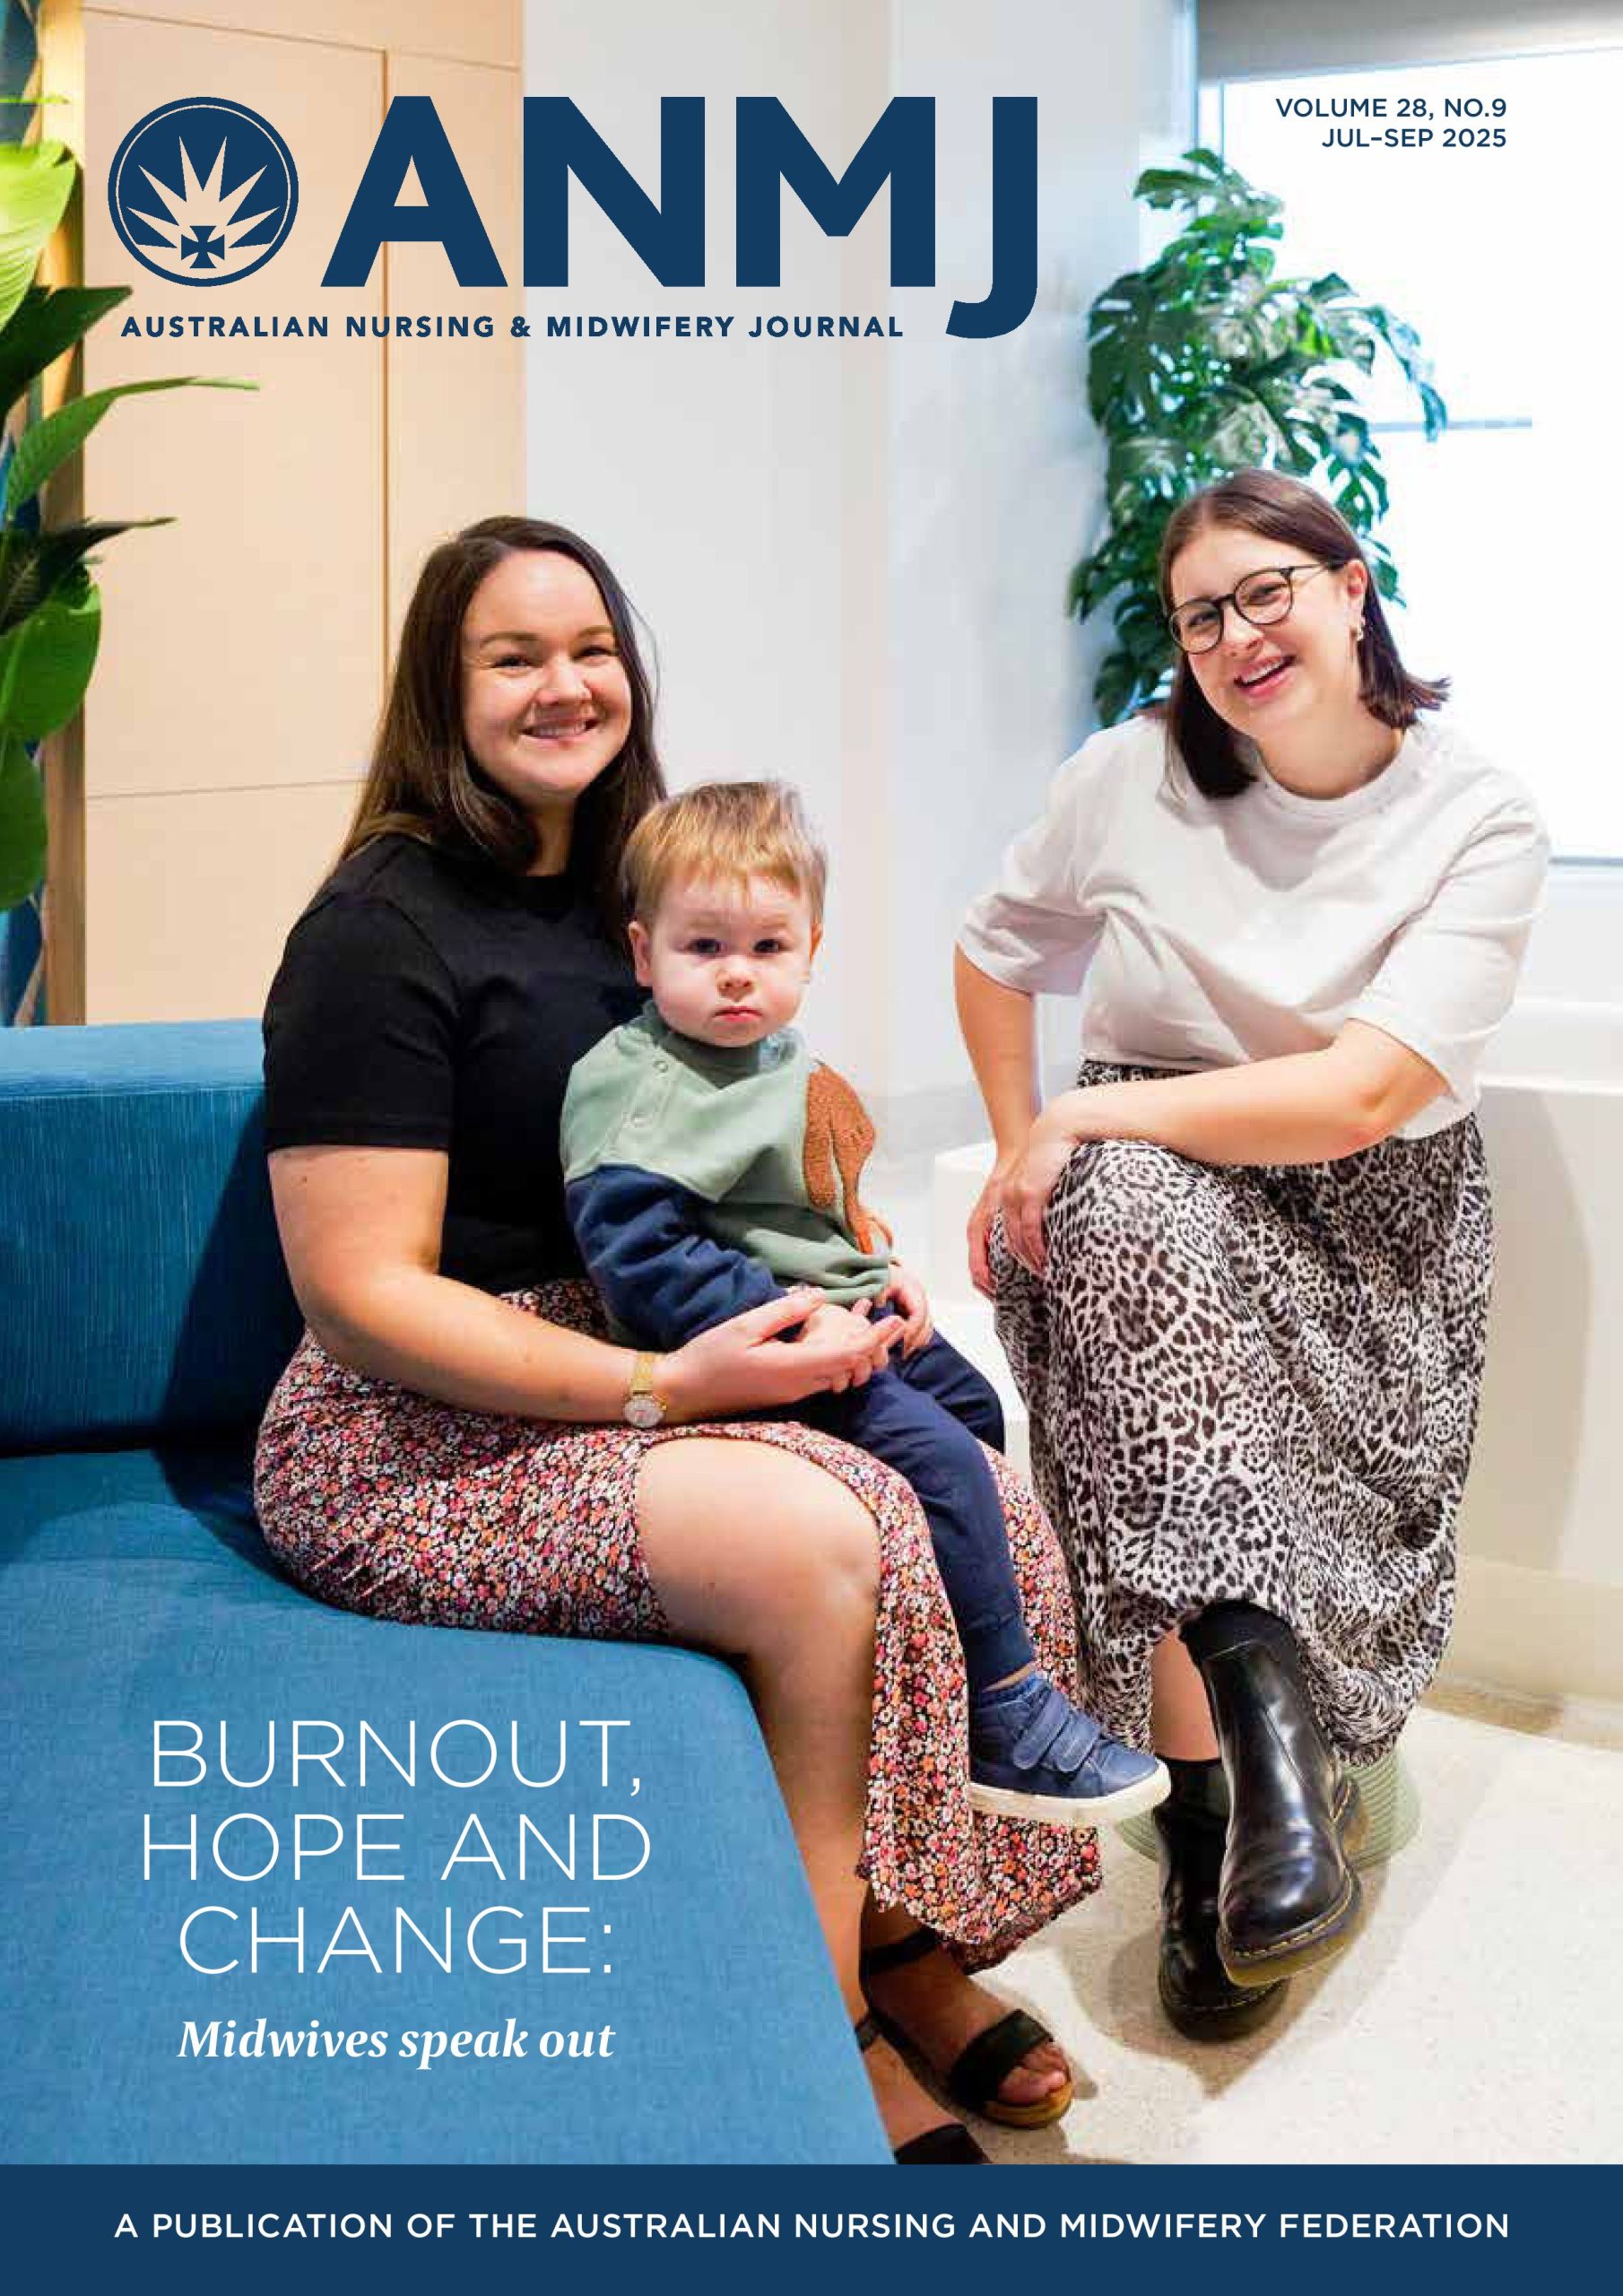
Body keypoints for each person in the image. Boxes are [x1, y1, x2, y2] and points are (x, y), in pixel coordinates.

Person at [254, 515, 1096, 2165]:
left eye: (592, 649)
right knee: (827, 1538)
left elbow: (758, 1135)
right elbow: (360, 1294)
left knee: (968, 1469)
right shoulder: (377, 931)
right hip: (419, 1422)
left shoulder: (645, 884)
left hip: (667, 1322)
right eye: (514, 656)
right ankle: (818, 2029)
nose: (565, 685)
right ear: (442, 688)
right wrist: (666, 1385)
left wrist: (860, 1271)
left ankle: (904, 1931)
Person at [955, 468, 1549, 2041]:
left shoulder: (1477, 811)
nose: (1234, 637)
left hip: (1370, 1223)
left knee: (1118, 1194)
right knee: (1122, 1219)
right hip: (1139, 1195)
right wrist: (1026, 1143)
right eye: (1198, 616)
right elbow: (996, 948)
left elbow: (1360, 1097)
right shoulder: (1129, 774)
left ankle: (1244, 1777)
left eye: (1264, 592)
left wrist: (1080, 1114)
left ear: (1351, 586)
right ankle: (1245, 1794)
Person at [560, 778, 1169, 1828]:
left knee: (973, 1412)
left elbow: (815, 1201)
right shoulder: (643, 1088)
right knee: (941, 1465)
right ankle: (1004, 1712)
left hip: (836, 1317)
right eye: (704, 947)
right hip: (750, 1347)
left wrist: (878, 1268)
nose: (738, 973)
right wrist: (804, 1319)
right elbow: (643, 1258)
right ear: (642, 954)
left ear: (811, 949)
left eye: (768, 946)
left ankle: (938, 1641)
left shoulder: (773, 1053)